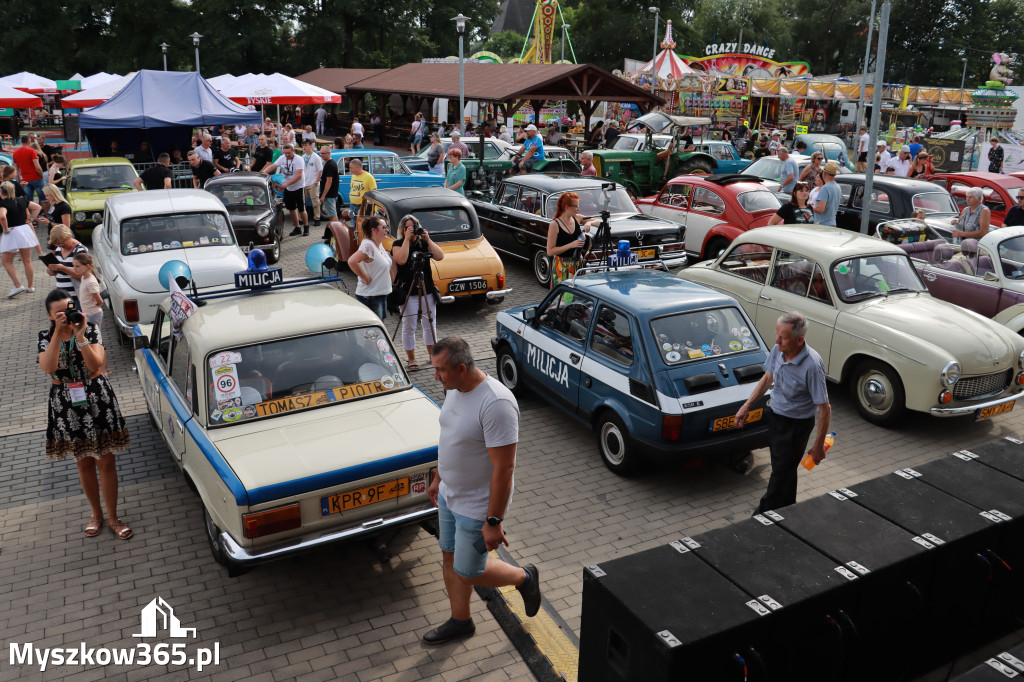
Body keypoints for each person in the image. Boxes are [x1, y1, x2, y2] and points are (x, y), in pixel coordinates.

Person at [423, 336, 539, 645]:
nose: (435, 376)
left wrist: (493, 521)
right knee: (449, 559)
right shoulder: (455, 388)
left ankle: (524, 577)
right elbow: (449, 436)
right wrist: (438, 476)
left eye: (440, 371)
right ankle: (461, 621)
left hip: (477, 507)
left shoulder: (496, 403)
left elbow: (505, 468)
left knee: (469, 571)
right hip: (449, 494)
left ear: (461, 368)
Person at [38, 288, 132, 540]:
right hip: (66, 405)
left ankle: (113, 517)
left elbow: (95, 365)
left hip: (96, 398)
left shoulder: (88, 329)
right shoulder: (45, 337)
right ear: (49, 315)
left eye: (68, 308)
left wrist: (79, 335)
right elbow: (48, 367)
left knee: (107, 462)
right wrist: (58, 333)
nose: (65, 314)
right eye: (59, 312)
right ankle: (96, 514)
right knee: (84, 462)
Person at [735, 312, 830, 514]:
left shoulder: (812, 366)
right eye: (777, 335)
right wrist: (747, 406)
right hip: (775, 417)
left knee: (780, 472)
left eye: (782, 337)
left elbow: (825, 408)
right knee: (786, 470)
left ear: (799, 340)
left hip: (796, 427)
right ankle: (788, 511)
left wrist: (819, 444)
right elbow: (768, 377)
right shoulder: (778, 350)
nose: (777, 341)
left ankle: (760, 516)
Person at [392, 214, 445, 371]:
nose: (412, 230)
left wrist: (428, 240)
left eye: (413, 227)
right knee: (409, 326)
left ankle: (432, 356)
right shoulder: (398, 243)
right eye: (408, 228)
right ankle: (411, 359)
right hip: (408, 291)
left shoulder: (423, 243)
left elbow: (440, 256)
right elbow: (401, 260)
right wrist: (407, 239)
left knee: (430, 325)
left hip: (427, 289)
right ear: (402, 229)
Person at [547, 192, 599, 288]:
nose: (578, 209)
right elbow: (550, 251)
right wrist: (571, 245)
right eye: (576, 206)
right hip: (561, 266)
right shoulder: (554, 224)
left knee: (577, 297)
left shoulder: (577, 218)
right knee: (563, 299)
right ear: (567, 207)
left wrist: (589, 223)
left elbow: (600, 222)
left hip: (577, 264)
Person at [1, 181, 42, 297]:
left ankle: (18, 285)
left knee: (6, 261)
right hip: (24, 230)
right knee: (27, 260)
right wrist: (31, 219)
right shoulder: (22, 200)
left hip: (12, 231)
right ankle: (30, 286)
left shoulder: (3, 203)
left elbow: (2, 216)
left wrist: (5, 229)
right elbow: (37, 207)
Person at [347, 215, 392, 319]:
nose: (387, 230)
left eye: (387, 227)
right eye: (384, 228)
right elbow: (352, 261)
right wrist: (365, 277)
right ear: (374, 230)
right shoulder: (368, 246)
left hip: (379, 294)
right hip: (371, 297)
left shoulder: (378, 244)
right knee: (373, 333)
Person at [260, 144, 304, 236]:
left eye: (288, 153)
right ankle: (297, 227)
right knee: (291, 208)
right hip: (288, 187)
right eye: (285, 153)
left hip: (298, 186)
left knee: (301, 209)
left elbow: (299, 175)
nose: (287, 155)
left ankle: (306, 227)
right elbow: (272, 166)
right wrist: (262, 174)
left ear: (293, 151)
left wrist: (287, 184)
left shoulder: (298, 159)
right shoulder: (282, 157)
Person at [47, 224, 88, 304]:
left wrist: (63, 268)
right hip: (64, 298)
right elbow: (51, 273)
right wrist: (51, 267)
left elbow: (82, 276)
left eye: (61, 243)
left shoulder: (80, 251)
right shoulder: (58, 249)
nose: (60, 246)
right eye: (56, 244)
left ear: (69, 237)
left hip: (78, 298)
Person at [73, 253, 103, 326]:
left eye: (77, 266)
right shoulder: (83, 277)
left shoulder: (90, 282)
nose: (74, 268)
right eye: (73, 266)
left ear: (87, 266)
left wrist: (92, 308)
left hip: (93, 314)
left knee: (94, 336)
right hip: (87, 313)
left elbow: (100, 301)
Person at [13, 135, 45, 204]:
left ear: (21, 142)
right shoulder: (32, 151)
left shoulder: (15, 153)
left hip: (25, 179)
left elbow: (16, 170)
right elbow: (37, 166)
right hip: (37, 177)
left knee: (28, 201)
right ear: (29, 142)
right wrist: (42, 176)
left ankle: (30, 214)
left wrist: (20, 181)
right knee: (43, 199)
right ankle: (46, 214)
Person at [301, 139, 323, 232]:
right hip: (304, 183)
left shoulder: (316, 157)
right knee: (302, 202)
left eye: (306, 145)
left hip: (313, 183)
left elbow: (320, 170)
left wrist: (316, 181)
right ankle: (301, 218)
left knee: (315, 202)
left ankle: (317, 218)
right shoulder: (303, 156)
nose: (304, 147)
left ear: (311, 146)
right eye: (303, 145)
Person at [812, 161, 842, 226]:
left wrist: (810, 207)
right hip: (832, 223)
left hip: (822, 224)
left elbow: (820, 209)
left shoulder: (825, 188)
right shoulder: (837, 186)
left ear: (824, 173)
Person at [318, 145, 340, 233]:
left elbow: (329, 181)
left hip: (330, 194)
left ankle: (337, 232)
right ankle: (333, 230)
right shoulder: (328, 163)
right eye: (321, 153)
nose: (322, 155)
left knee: (333, 213)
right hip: (331, 193)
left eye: (324, 153)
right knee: (331, 214)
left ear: (329, 153)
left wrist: (323, 195)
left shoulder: (330, 165)